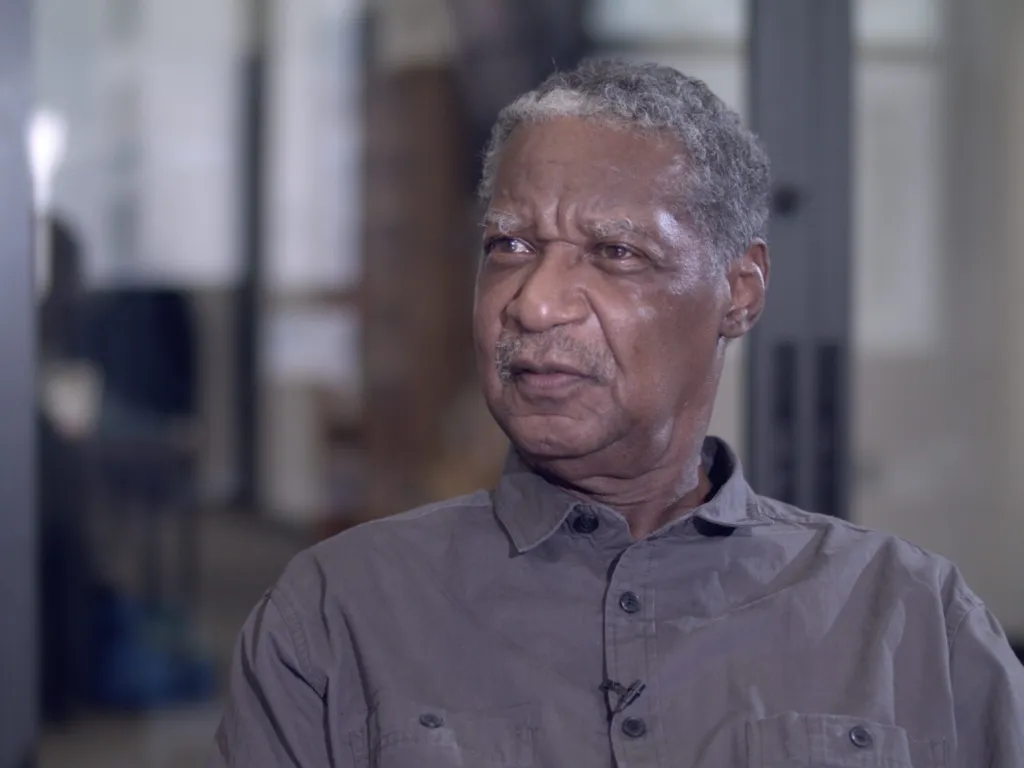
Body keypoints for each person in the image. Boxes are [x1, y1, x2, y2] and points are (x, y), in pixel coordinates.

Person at [211, 60, 1024, 767]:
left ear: (739, 292)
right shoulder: (339, 611)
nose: (535, 304)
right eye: (510, 247)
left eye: (616, 252)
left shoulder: (911, 620)